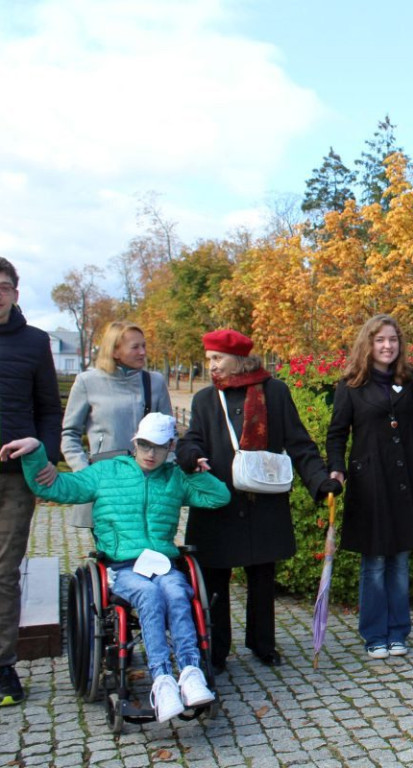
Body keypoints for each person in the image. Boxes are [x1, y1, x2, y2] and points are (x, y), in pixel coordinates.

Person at [1, 413, 229, 722]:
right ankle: (162, 680)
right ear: (135, 442)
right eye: (144, 445)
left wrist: (195, 471)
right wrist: (35, 452)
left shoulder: (175, 477)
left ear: (171, 447)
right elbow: (56, 487)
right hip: (121, 566)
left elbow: (218, 497)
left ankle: (190, 673)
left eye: (159, 447)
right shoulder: (106, 473)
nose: (150, 454)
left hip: (162, 564)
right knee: (149, 595)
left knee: (177, 591)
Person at [176, 329, 341, 672]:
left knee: (262, 579)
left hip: (261, 503)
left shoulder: (275, 393)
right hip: (218, 504)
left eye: (217, 358)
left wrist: (319, 481)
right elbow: (192, 438)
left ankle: (262, 643)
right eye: (209, 360)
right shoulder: (206, 400)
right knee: (215, 580)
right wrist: (192, 455)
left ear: (238, 359)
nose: (212, 366)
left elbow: (299, 443)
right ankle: (217, 649)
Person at [326, 314, 413, 659]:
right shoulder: (351, 385)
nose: (387, 346)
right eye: (380, 340)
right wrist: (337, 470)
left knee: (399, 559)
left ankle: (398, 630)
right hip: (371, 484)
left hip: (405, 482)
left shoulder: (409, 379)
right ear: (368, 344)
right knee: (374, 562)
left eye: (393, 340)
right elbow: (337, 433)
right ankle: (374, 632)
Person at [0, 258, 62, 707]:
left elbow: (49, 408)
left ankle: (2, 666)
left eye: (3, 287)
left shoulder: (35, 342)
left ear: (16, 294)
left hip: (14, 480)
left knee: (4, 572)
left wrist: (46, 452)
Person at [61, 321, 173, 527]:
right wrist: (84, 472)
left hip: (148, 483)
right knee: (112, 553)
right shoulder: (87, 382)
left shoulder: (154, 382)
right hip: (105, 484)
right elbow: (69, 434)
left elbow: (169, 434)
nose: (143, 352)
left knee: (150, 553)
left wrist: (168, 473)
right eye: (135, 347)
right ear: (114, 351)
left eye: (144, 345)